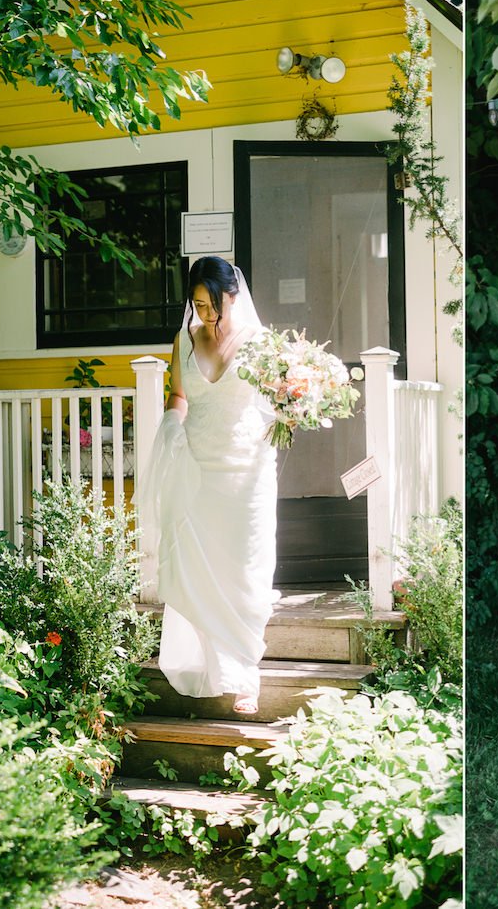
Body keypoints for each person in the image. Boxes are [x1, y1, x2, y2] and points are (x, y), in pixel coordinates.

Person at [137, 255, 279, 715]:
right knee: (200, 573)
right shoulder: (184, 339)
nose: (205, 314)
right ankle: (217, 667)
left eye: (213, 305)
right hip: (197, 470)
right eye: (197, 304)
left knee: (243, 573)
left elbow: (279, 399)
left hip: (245, 472)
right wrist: (172, 427)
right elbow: (179, 396)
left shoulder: (259, 343)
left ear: (233, 297)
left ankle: (247, 676)